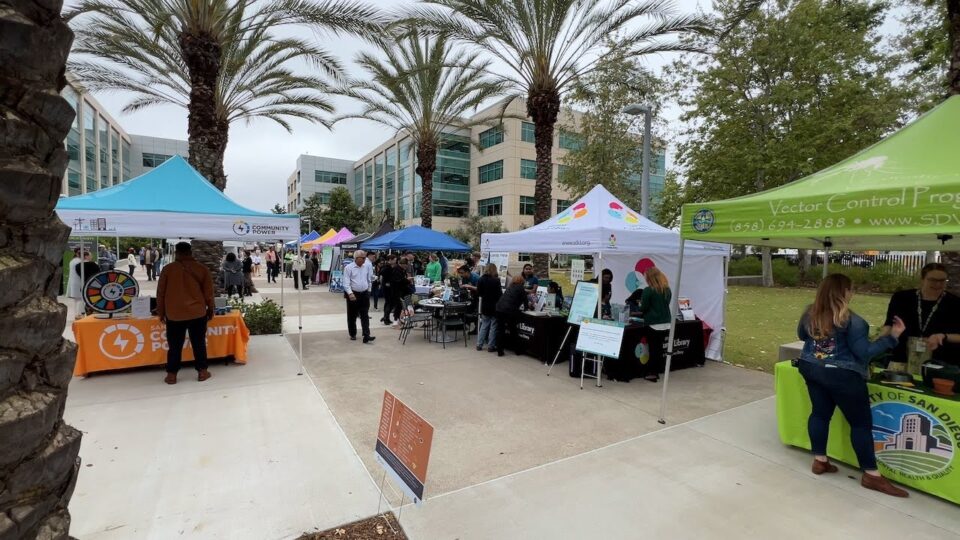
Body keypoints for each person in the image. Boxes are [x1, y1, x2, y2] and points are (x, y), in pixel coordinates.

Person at [797, 274, 908, 497]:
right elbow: (865, 354)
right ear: (845, 292)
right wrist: (892, 337)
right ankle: (871, 475)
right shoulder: (854, 321)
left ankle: (820, 460)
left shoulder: (810, 313)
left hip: (811, 368)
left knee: (819, 414)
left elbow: (801, 335)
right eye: (851, 289)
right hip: (843, 376)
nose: (853, 293)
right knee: (860, 424)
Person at [157, 242, 215, 385]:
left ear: (176, 252)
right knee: (199, 343)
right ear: (191, 252)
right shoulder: (202, 269)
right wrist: (211, 309)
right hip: (197, 313)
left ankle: (172, 375)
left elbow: (161, 294)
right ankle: (202, 372)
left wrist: (161, 313)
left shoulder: (168, 269)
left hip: (174, 314)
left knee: (175, 345)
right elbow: (209, 294)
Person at [881, 262, 960, 367]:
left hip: (940, 362)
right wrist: (877, 342)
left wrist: (943, 336)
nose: (938, 284)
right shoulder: (901, 298)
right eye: (932, 280)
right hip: (901, 357)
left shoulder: (955, 303)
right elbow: (889, 325)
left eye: (942, 280)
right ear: (922, 279)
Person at [344, 249, 375, 344]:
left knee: (364, 315)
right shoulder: (349, 268)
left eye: (365, 258)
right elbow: (346, 282)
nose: (365, 259)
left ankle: (366, 335)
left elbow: (369, 279)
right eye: (363, 258)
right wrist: (350, 293)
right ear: (357, 258)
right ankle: (352, 333)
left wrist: (369, 290)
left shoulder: (366, 266)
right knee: (352, 315)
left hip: (364, 294)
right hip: (354, 294)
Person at [495, 275, 528, 357]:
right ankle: (517, 350)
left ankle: (500, 351)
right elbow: (525, 301)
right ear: (522, 281)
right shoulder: (521, 288)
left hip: (499, 308)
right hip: (509, 311)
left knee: (500, 330)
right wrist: (527, 308)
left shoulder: (510, 287)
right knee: (513, 330)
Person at [476, 263, 502, 352]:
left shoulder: (480, 279)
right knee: (493, 326)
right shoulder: (496, 280)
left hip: (485, 305)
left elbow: (479, 293)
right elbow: (500, 295)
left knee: (484, 325)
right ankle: (491, 346)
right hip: (495, 305)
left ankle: (479, 344)